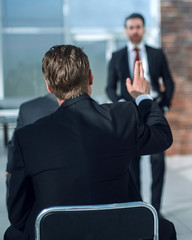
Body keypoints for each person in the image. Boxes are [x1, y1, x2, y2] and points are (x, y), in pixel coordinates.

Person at [5, 45, 176, 240]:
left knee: (13, 234)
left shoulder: (27, 137)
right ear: (90, 77)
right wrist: (143, 97)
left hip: (58, 233)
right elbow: (162, 136)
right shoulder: (122, 115)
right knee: (164, 229)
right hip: (121, 232)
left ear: (49, 86)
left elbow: (18, 215)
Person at [106, 13, 175, 214]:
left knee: (157, 162)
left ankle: (156, 209)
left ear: (143, 29)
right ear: (126, 30)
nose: (135, 31)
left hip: (153, 110)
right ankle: (138, 207)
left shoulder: (157, 54)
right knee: (131, 163)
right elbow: (110, 87)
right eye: (131, 27)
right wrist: (120, 105)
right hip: (129, 114)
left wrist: (165, 106)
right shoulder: (116, 57)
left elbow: (169, 81)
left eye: (138, 27)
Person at [6, 93, 58, 178]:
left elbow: (15, 143)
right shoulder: (83, 110)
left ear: (48, 84)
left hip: (34, 180)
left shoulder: (27, 109)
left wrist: (9, 168)